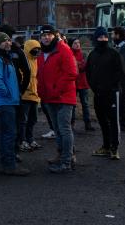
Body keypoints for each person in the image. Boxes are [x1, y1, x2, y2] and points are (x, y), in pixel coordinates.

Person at [37, 25, 78, 174]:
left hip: (63, 97)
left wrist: (56, 90)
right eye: (43, 35)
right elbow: (40, 75)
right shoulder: (43, 53)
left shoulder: (63, 49)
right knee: (58, 129)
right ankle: (62, 155)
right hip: (50, 98)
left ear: (55, 35)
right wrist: (42, 92)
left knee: (64, 129)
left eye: (49, 35)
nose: (46, 37)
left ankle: (67, 161)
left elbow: (71, 73)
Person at [0, 33, 30, 176]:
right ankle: (10, 165)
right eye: (4, 41)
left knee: (5, 133)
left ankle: (6, 163)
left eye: (8, 40)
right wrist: (7, 93)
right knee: (9, 134)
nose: (8, 43)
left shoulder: (6, 58)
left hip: (9, 101)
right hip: (4, 102)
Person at [86, 27, 124, 160]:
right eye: (100, 37)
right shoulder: (92, 55)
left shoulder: (114, 54)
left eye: (105, 37)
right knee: (102, 121)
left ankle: (115, 148)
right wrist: (94, 88)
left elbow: (120, 72)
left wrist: (112, 87)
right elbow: (88, 73)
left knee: (114, 121)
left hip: (112, 94)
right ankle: (106, 146)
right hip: (98, 94)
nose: (103, 39)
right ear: (96, 38)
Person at [19, 40, 43, 152]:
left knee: (33, 119)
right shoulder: (23, 61)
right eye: (35, 49)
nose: (37, 51)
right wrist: (27, 87)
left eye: (39, 49)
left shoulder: (36, 61)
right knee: (23, 120)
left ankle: (30, 138)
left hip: (35, 95)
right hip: (25, 95)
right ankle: (22, 140)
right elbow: (22, 77)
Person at [68, 38, 95, 131]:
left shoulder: (84, 54)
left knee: (85, 104)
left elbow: (84, 67)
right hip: (73, 83)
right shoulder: (69, 54)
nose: (77, 44)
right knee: (72, 105)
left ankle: (88, 124)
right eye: (75, 43)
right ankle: (71, 124)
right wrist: (78, 65)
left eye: (78, 43)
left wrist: (76, 64)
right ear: (71, 44)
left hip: (83, 82)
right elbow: (72, 67)